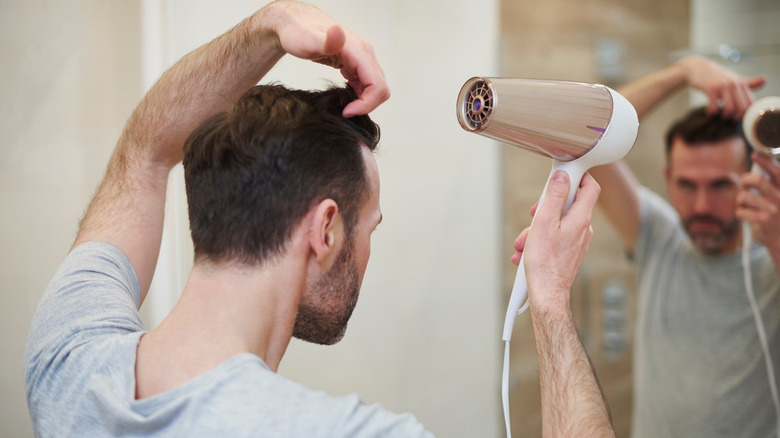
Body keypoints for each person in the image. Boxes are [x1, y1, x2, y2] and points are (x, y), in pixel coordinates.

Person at [25, 1, 614, 436]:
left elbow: (145, 150)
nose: (367, 251)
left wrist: (269, 25)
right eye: (369, 228)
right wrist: (551, 299)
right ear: (326, 230)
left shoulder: (67, 360)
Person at [591, 55, 780, 437]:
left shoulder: (770, 264)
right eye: (687, 185)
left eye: (721, 185)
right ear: (668, 177)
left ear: (751, 177)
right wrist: (682, 71)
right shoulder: (661, 239)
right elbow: (587, 134)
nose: (701, 207)